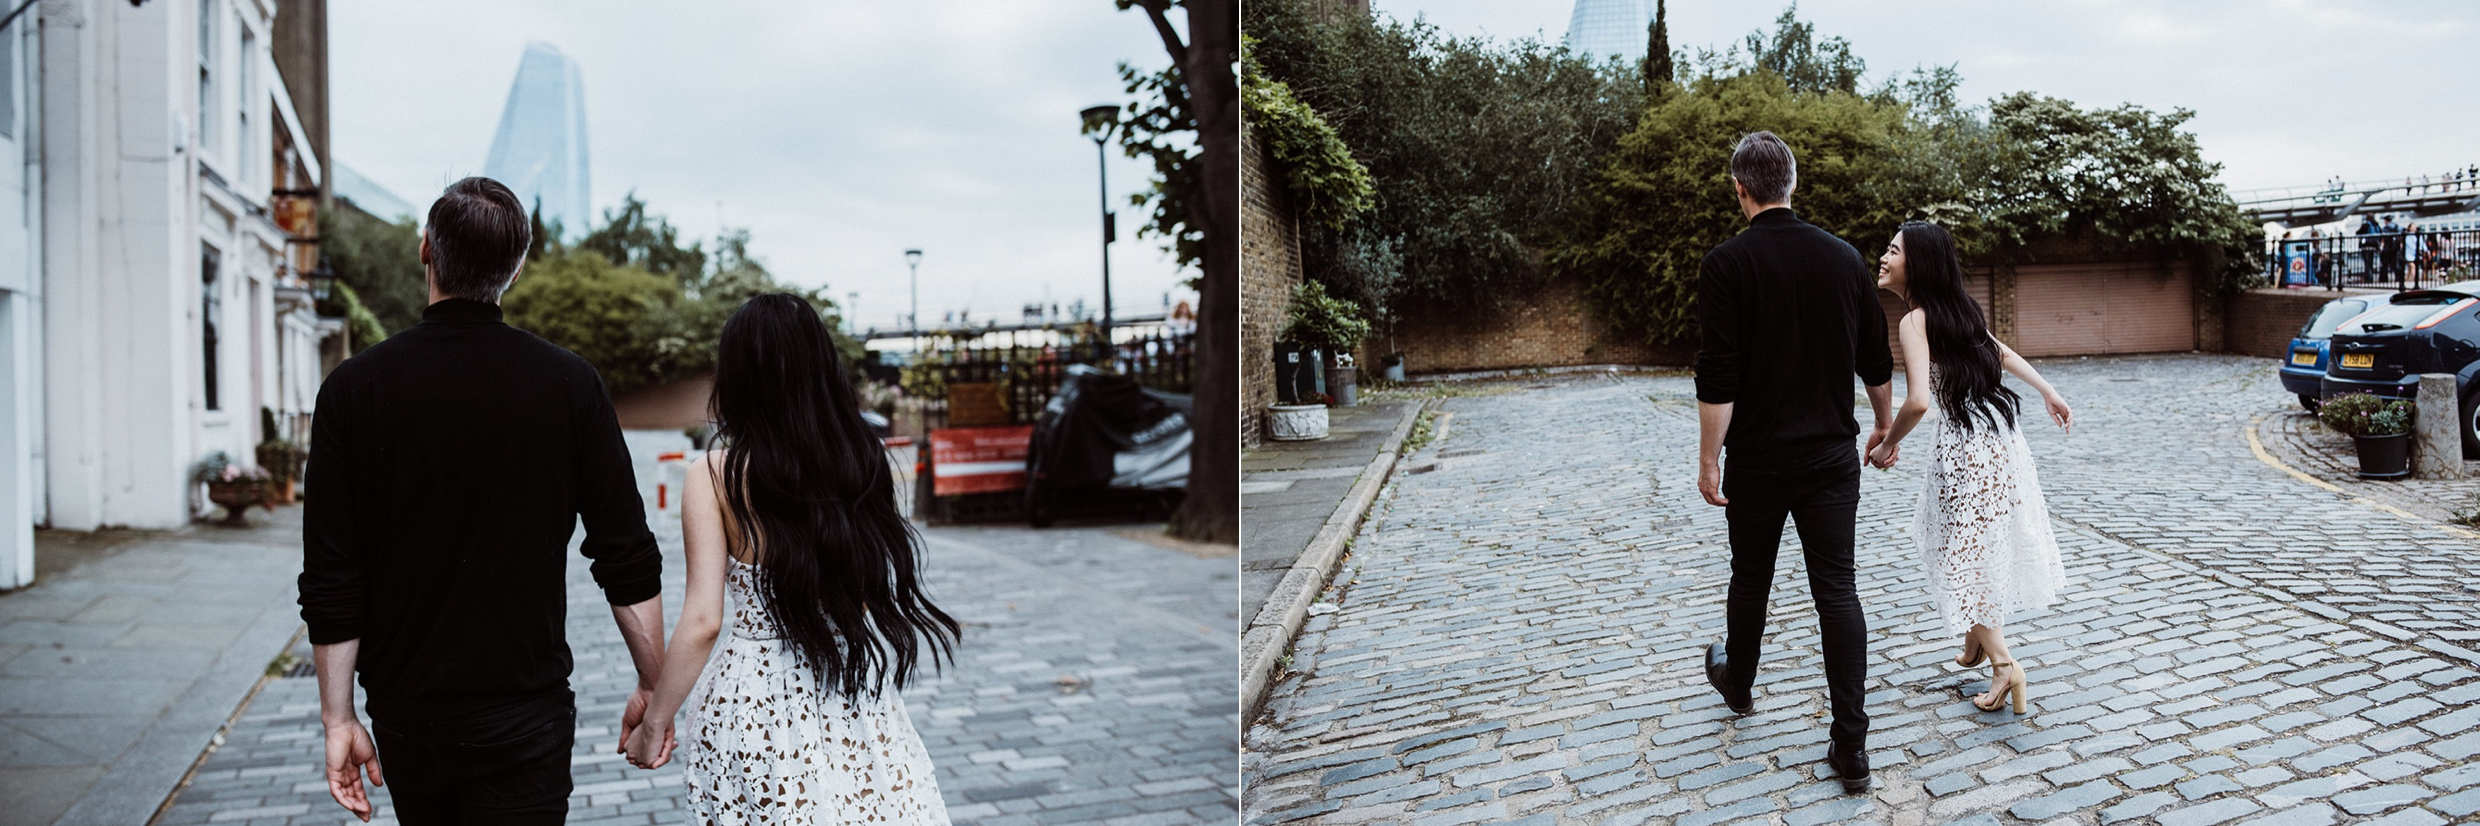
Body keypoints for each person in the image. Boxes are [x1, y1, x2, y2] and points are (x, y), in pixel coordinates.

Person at [299, 177, 670, 823]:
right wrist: (653, 686)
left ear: (426, 252)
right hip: (526, 711)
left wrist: (338, 720)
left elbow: (334, 572)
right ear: (517, 268)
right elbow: (625, 555)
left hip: (409, 713)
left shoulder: (354, 390)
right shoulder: (569, 385)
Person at [621, 294, 962, 823]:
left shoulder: (713, 476)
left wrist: (655, 720)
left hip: (749, 700)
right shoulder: (861, 463)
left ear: (738, 377)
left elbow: (704, 621)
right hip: (844, 683)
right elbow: (864, 595)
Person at [1693, 131, 1893, 794]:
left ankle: (1739, 683)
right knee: (1837, 588)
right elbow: (1874, 357)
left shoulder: (1726, 265)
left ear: (1740, 190)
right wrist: (1886, 424)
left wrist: (1708, 459)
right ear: (1793, 184)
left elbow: (1717, 375)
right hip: (1832, 455)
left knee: (1751, 578)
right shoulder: (1844, 260)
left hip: (1757, 458)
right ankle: (1852, 748)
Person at [1865, 222, 2071, 718]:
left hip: (1962, 451)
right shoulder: (1960, 310)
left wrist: (1885, 446)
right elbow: (1999, 352)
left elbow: (1916, 402)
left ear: (1917, 265)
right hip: (2000, 444)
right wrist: (2048, 391)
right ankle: (1975, 640)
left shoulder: (1915, 321)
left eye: (1893, 250)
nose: (1884, 257)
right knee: (1967, 545)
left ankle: (2003, 664)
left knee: (1958, 555)